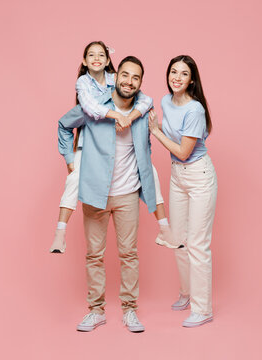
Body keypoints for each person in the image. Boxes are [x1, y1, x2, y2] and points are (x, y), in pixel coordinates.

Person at [50, 41, 179, 254]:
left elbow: (145, 99)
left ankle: (164, 228)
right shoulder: (84, 84)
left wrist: (131, 117)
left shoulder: (117, 82)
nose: (97, 59)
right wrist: (70, 158)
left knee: (150, 174)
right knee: (74, 179)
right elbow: (88, 108)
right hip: (89, 149)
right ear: (84, 60)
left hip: (122, 177)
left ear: (110, 62)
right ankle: (60, 232)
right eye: (91, 55)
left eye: (101, 55)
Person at [58, 56, 154, 332]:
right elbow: (65, 124)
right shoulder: (94, 108)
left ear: (140, 83)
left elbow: (145, 144)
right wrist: (70, 162)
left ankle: (130, 310)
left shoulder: (142, 110)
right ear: (116, 76)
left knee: (129, 254)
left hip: (127, 194)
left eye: (136, 78)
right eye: (125, 75)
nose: (129, 81)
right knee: (94, 255)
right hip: (95, 193)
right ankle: (96, 310)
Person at [148, 55, 218, 327]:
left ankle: (203, 309)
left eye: (183, 73)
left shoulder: (195, 110)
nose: (177, 77)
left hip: (199, 175)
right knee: (178, 238)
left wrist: (155, 131)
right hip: (177, 175)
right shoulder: (166, 101)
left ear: (192, 80)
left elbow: (183, 151)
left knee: (198, 244)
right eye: (173, 71)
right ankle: (187, 294)